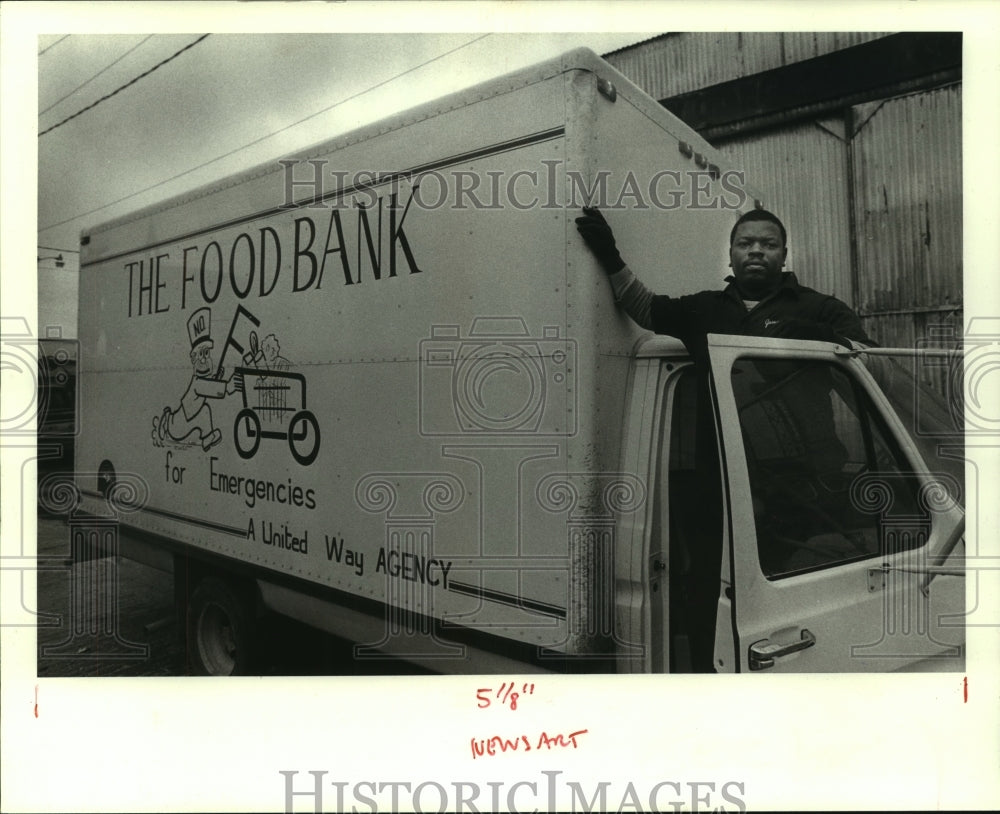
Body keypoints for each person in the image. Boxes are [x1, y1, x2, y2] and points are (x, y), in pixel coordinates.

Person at [574, 206, 874, 362]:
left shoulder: (821, 309)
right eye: (745, 243)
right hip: (721, 471)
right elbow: (644, 307)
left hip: (803, 476)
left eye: (768, 244)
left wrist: (827, 342)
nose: (756, 250)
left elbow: (877, 365)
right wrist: (609, 255)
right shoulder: (703, 309)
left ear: (784, 256)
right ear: (731, 257)